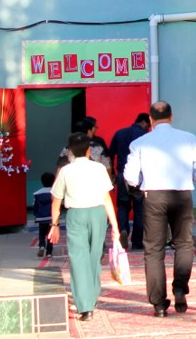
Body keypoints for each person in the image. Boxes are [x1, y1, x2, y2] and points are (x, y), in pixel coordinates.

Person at [124, 101, 196, 318]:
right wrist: (191, 178)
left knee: (154, 250)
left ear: (150, 120)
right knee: (184, 243)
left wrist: (141, 183)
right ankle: (180, 287)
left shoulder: (139, 143)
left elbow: (130, 176)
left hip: (153, 196)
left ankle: (159, 304)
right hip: (182, 194)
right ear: (171, 117)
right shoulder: (189, 138)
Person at [48, 133, 122, 322]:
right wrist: (115, 226)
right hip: (97, 214)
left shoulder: (65, 171)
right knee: (94, 257)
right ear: (89, 150)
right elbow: (106, 199)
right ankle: (92, 298)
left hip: (76, 215)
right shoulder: (99, 168)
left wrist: (54, 225)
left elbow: (56, 200)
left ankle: (85, 307)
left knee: (78, 259)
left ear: (70, 151)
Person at [111, 113, 151, 250]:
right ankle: (137, 242)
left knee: (123, 206)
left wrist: (113, 173)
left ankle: (123, 230)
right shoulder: (144, 136)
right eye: (148, 126)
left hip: (122, 175)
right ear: (144, 122)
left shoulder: (119, 133)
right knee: (139, 209)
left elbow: (111, 154)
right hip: (139, 177)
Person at [33, 172, 56, 257]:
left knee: (42, 233)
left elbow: (35, 206)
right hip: (51, 217)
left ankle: (42, 246)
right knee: (51, 234)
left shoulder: (37, 194)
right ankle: (49, 252)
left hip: (41, 217)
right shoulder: (54, 192)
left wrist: (36, 215)